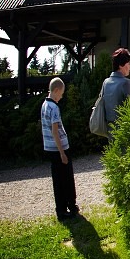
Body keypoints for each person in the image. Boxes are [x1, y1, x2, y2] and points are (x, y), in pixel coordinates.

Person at [41, 77, 78, 221]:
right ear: (56, 91)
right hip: (59, 148)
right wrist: (62, 152)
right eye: (61, 93)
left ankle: (61, 209)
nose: (61, 96)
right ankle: (71, 206)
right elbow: (55, 130)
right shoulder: (54, 108)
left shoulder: (44, 105)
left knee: (57, 180)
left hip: (49, 148)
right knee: (67, 178)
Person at [102, 48, 130, 127]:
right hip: (124, 129)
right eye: (129, 63)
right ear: (121, 65)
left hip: (109, 128)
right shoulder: (126, 83)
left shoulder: (106, 82)